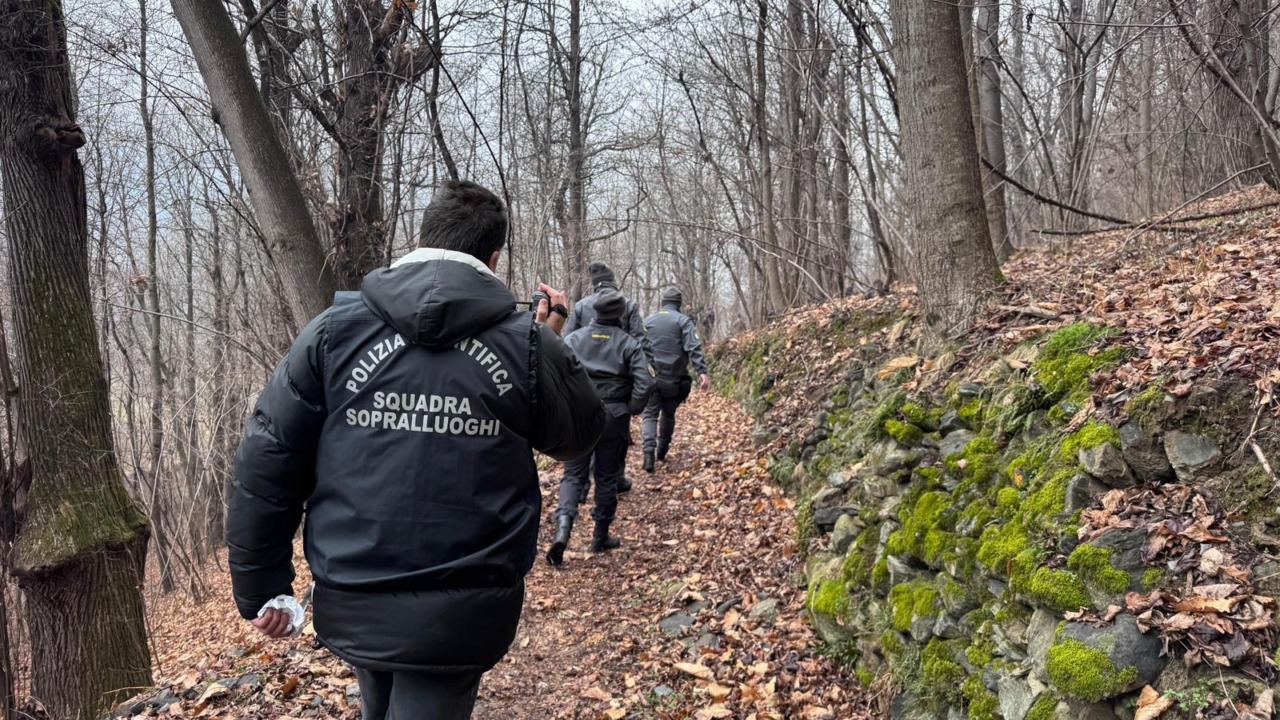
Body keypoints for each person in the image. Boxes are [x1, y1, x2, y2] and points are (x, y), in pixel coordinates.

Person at [227, 180, 605, 719]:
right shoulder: (524, 342)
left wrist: (261, 583)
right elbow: (578, 435)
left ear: (422, 239)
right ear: (494, 258)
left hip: (355, 587)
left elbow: (270, 457)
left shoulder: (334, 332)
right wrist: (548, 342)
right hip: (464, 605)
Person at [546, 290, 654, 566]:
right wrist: (629, 408)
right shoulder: (628, 343)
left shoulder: (573, 339)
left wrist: (567, 406)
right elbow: (645, 383)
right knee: (607, 476)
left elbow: (554, 374)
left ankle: (563, 531)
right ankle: (600, 535)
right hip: (613, 418)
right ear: (620, 314)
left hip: (580, 415)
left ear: (595, 310)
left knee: (573, 474)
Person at [564, 261, 650, 494]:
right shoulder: (627, 304)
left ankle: (581, 488)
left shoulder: (581, 306)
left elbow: (564, 347)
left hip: (583, 392)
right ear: (612, 281)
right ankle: (614, 479)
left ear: (594, 284)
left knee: (583, 444)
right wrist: (634, 401)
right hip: (617, 392)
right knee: (613, 443)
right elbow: (640, 342)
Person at [642, 287, 710, 472]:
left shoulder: (647, 321)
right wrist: (702, 371)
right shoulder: (683, 321)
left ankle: (648, 454)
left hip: (651, 377)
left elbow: (637, 346)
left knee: (649, 415)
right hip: (674, 379)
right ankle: (662, 451)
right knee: (668, 414)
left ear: (663, 303)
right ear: (678, 304)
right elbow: (693, 346)